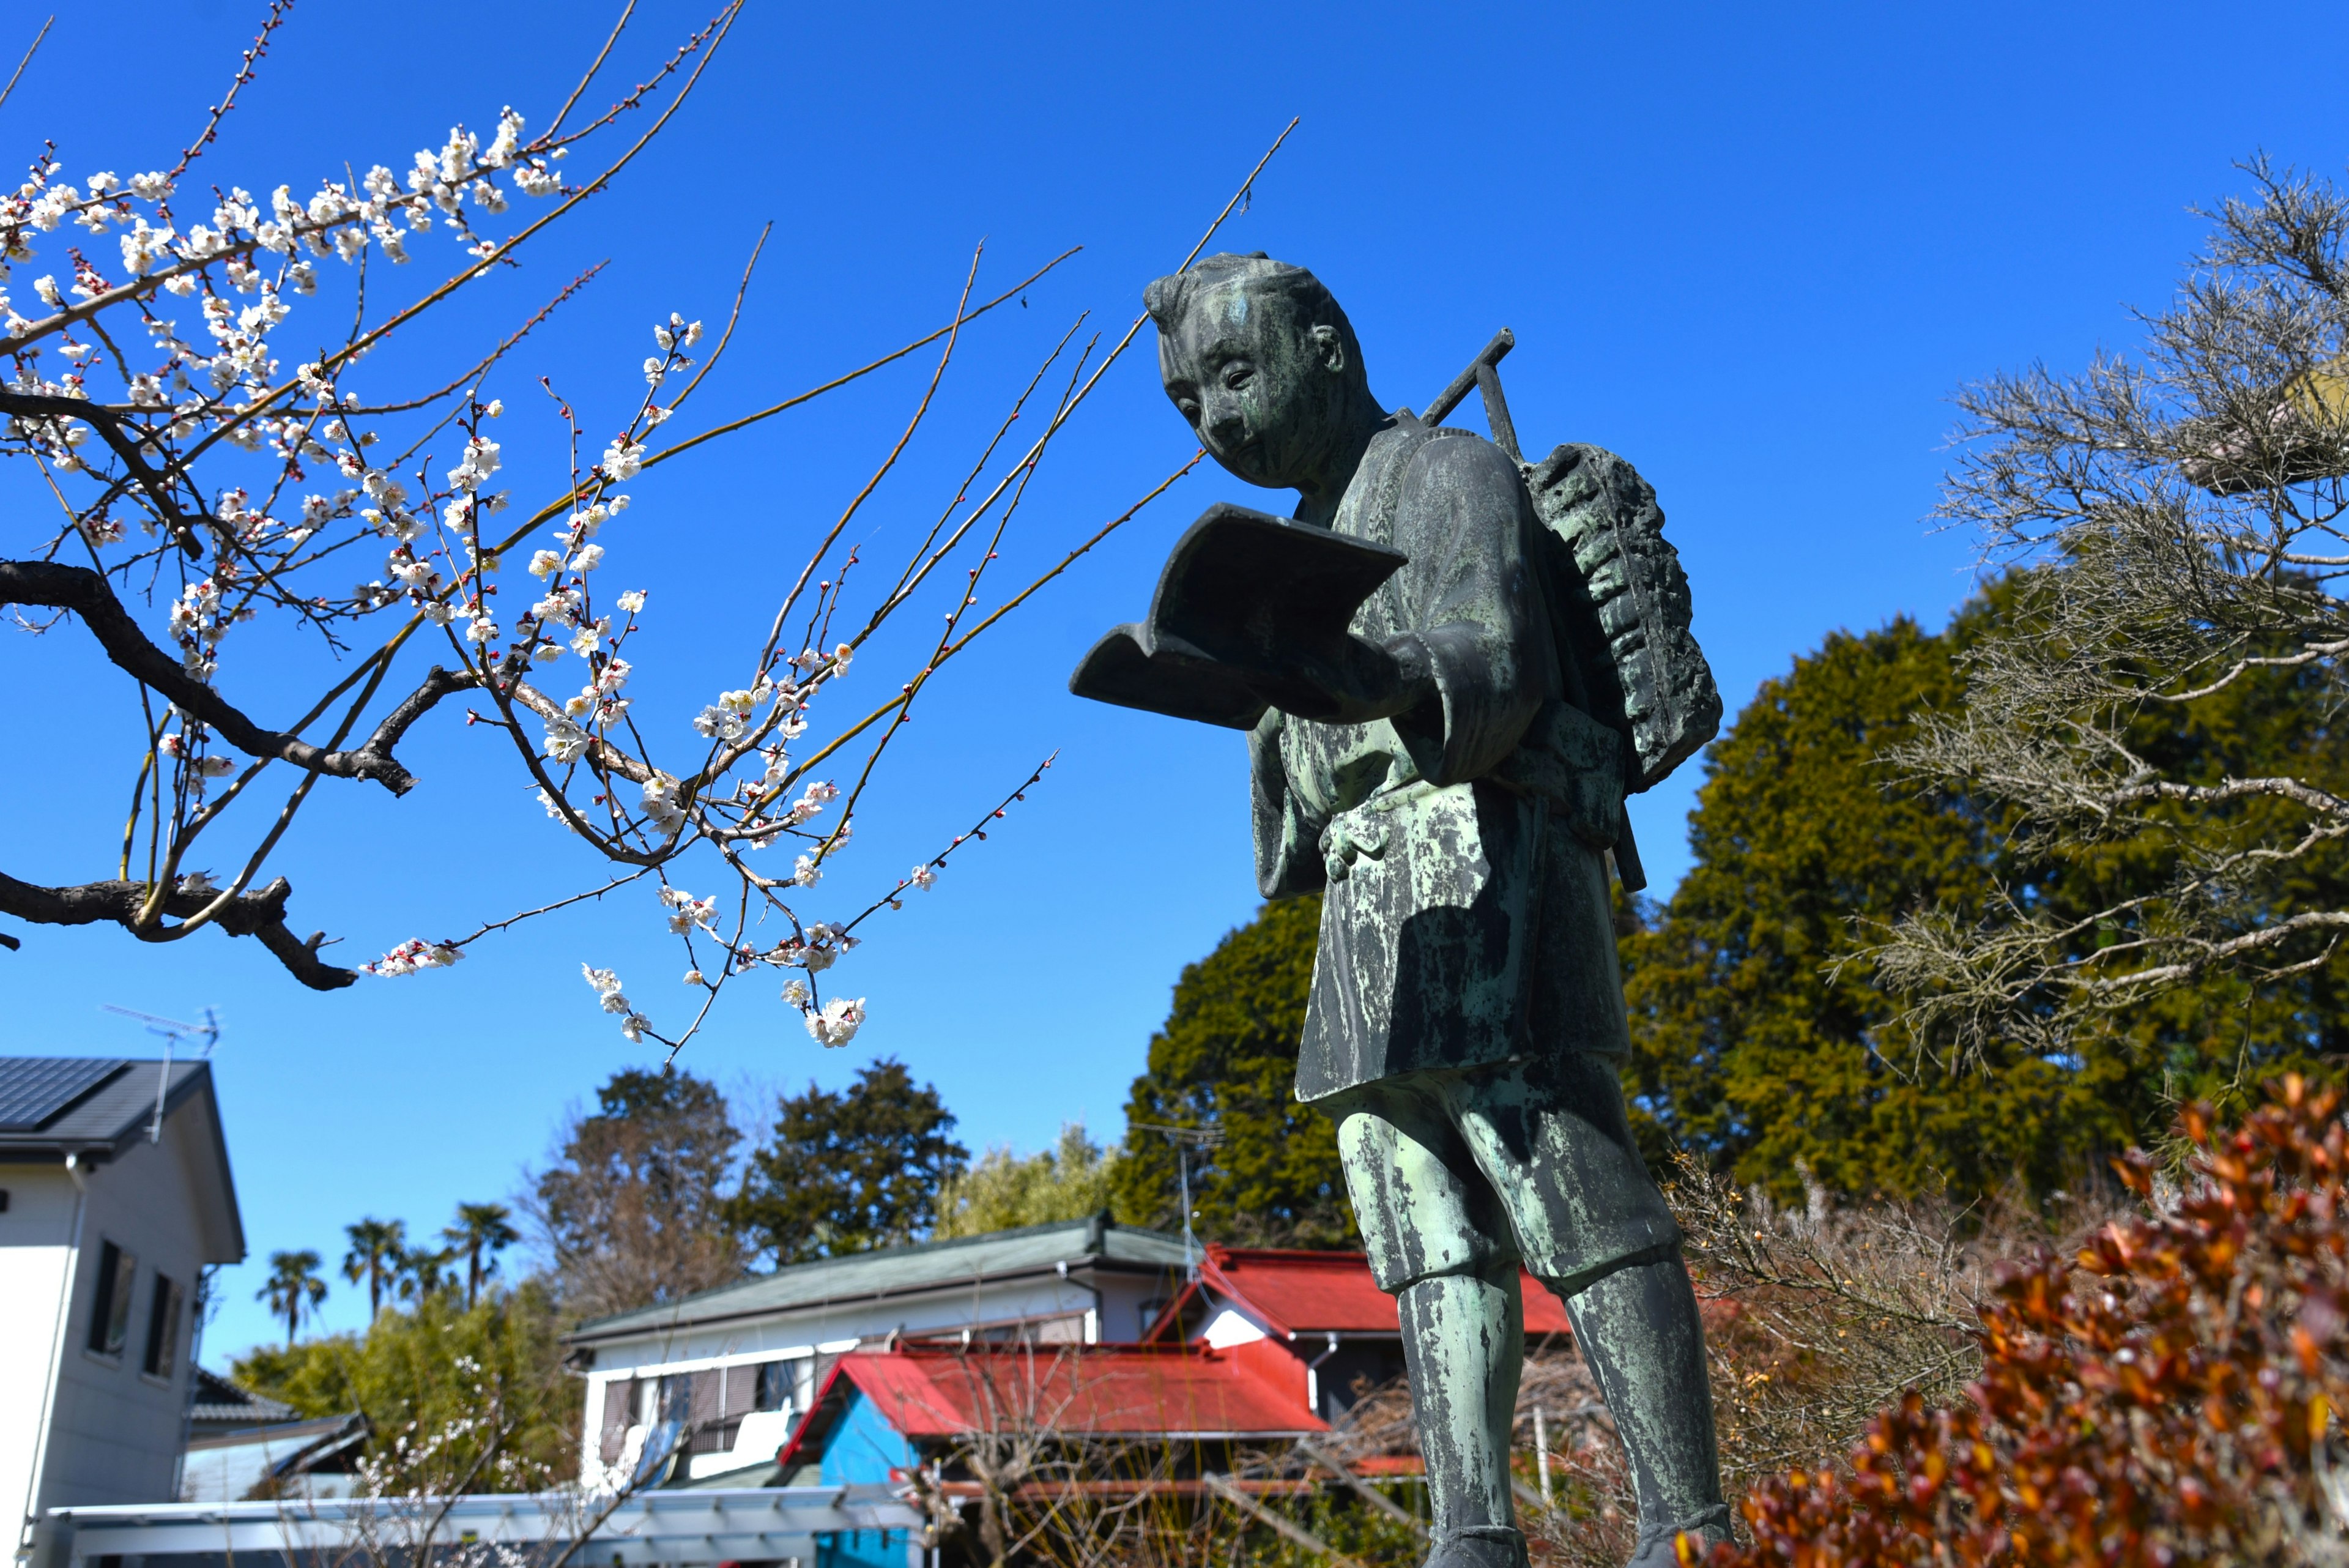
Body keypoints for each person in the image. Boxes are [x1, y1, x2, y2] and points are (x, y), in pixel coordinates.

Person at [1144, 253, 1729, 1568]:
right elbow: (1290, 793)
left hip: (1492, 853)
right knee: (1414, 1220)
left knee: (1565, 1175)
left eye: (1234, 375)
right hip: (1368, 899)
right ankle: (1471, 1524)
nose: (1218, 421)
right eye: (1190, 405)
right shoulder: (1305, 537)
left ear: (1329, 348)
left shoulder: (1447, 475)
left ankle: (1689, 1520)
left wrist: (1380, 672)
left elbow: (1499, 662)